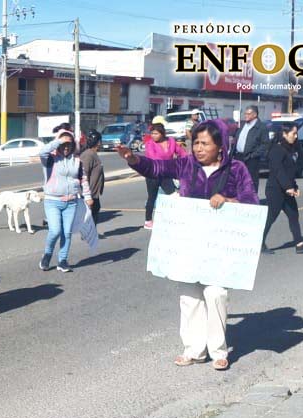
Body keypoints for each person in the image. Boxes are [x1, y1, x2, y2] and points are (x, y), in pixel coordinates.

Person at [116, 119, 258, 371]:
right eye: (196, 143)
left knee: (215, 294)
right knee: (190, 297)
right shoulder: (186, 165)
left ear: (221, 146)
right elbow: (157, 168)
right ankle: (194, 350)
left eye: (205, 144)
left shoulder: (237, 169)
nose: (198, 149)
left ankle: (218, 351)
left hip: (221, 247)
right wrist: (133, 159)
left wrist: (228, 200)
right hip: (190, 245)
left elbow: (251, 203)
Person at [37, 130, 92, 273]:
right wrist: (59, 141)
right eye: (63, 144)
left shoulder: (77, 161)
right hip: (53, 201)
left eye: (69, 144)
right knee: (55, 231)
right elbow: (42, 152)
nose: (66, 147)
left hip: (71, 202)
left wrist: (87, 196)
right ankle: (47, 254)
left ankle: (63, 261)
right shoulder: (50, 159)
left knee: (67, 233)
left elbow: (83, 179)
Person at [261, 124, 303, 255]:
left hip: (287, 189)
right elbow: (278, 171)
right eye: (293, 133)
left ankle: (300, 245)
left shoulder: (289, 149)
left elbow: (289, 171)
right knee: (271, 217)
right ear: (284, 134)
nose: (296, 136)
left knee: (293, 215)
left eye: (296, 133)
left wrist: (294, 186)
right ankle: (260, 243)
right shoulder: (276, 150)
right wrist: (288, 187)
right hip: (275, 189)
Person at [143, 123, 187, 229]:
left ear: (162, 133)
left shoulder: (171, 141)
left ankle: (174, 218)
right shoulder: (150, 144)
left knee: (173, 196)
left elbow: (182, 153)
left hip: (166, 174)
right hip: (153, 174)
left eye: (156, 133)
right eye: (152, 133)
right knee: (152, 197)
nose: (153, 136)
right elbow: (154, 158)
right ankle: (148, 221)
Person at [234, 105, 268, 194]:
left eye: (248, 114)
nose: (246, 116)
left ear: (255, 115)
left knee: (251, 181)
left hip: (251, 159)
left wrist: (253, 155)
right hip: (239, 157)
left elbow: (265, 145)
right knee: (238, 180)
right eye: (245, 114)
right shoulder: (243, 125)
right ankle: (240, 197)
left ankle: (252, 199)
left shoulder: (261, 127)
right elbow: (236, 139)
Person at [80, 130, 106, 222]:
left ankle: (92, 231)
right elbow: (84, 174)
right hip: (89, 193)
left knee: (95, 210)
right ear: (98, 142)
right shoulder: (88, 155)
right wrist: (86, 194)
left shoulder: (93, 154)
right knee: (89, 218)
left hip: (94, 193)